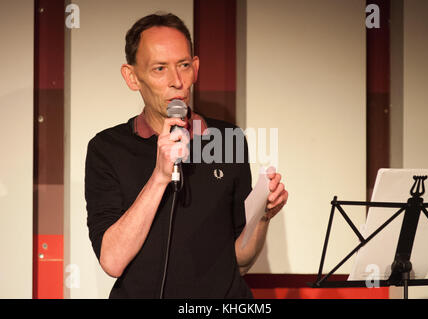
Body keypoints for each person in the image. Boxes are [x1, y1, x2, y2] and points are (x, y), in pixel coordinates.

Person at [85, 12, 288, 299]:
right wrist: (159, 177)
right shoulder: (107, 148)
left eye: (183, 65)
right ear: (132, 77)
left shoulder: (228, 139)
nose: (176, 81)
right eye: (159, 69)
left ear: (195, 67)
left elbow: (240, 262)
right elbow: (112, 261)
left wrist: (262, 217)